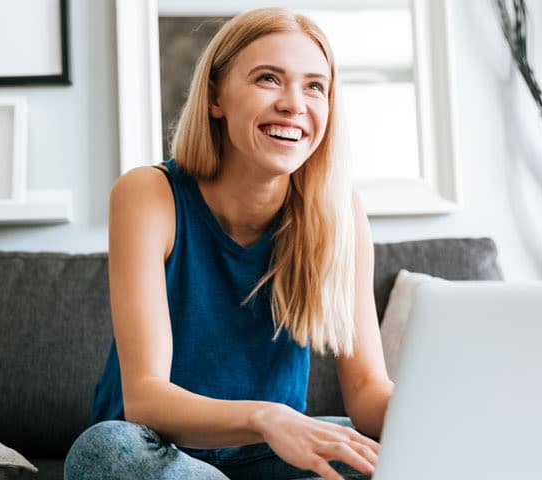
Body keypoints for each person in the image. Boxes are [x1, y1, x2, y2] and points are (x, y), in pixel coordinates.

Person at [65, 8, 394, 480]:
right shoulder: (149, 195)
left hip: (274, 455)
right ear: (216, 96)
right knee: (105, 452)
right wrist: (267, 417)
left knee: (386, 452)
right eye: (268, 79)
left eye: (315, 86)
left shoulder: (340, 213)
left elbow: (365, 392)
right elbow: (145, 396)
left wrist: (442, 412)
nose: (293, 103)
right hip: (160, 453)